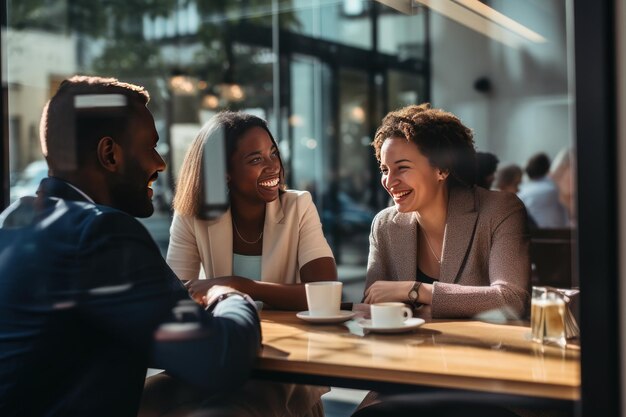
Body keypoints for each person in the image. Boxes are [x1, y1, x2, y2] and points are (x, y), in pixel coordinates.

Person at [0, 76, 261, 417]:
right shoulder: (100, 231)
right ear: (110, 154)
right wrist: (231, 295)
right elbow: (221, 360)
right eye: (150, 146)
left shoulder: (15, 218)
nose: (160, 163)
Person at [163, 111, 337, 416]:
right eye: (255, 159)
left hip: (287, 361)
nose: (273, 166)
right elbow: (176, 296)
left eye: (274, 153)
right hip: (224, 351)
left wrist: (238, 285)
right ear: (224, 171)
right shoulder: (191, 216)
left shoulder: (299, 206)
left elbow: (325, 294)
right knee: (146, 398)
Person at [363, 103, 530, 319]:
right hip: (407, 349)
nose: (389, 181)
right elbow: (371, 305)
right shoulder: (384, 224)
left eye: (402, 167)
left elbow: (511, 299)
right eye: (384, 170)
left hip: (483, 350)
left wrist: (416, 290)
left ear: (441, 169)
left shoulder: (499, 210)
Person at [518, 152, 568, 228]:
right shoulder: (555, 188)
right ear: (548, 168)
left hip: (532, 235)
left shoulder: (521, 191)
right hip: (559, 233)